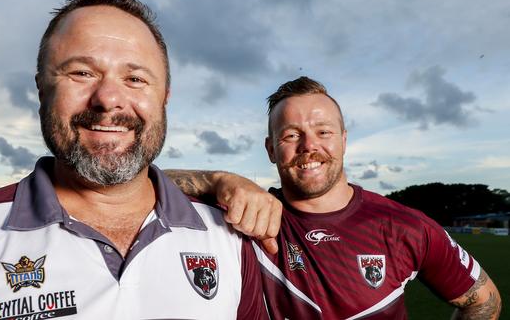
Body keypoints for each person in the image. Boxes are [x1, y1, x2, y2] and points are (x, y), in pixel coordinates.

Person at [0, 0, 271, 320]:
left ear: (164, 98)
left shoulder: (230, 241)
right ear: (42, 86)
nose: (109, 98)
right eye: (82, 72)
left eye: (135, 78)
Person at [166, 77, 502, 319]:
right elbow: (127, 185)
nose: (309, 145)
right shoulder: (240, 216)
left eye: (323, 132)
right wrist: (220, 179)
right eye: (291, 135)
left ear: (343, 140)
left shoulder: (405, 226)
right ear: (271, 149)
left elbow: (483, 301)